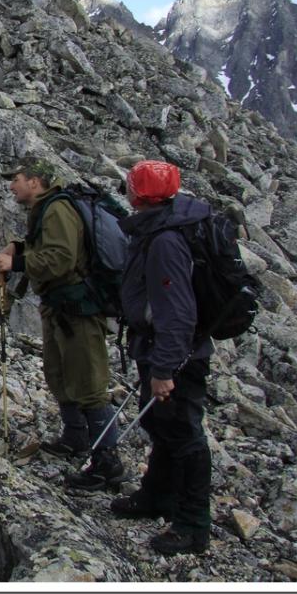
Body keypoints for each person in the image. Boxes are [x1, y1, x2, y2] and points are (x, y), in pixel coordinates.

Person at [0, 156, 124, 491]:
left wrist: (16, 261)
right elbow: (51, 249)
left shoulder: (58, 210)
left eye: (17, 178)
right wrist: (19, 248)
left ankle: (108, 462)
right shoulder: (45, 210)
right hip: (60, 310)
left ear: (35, 182)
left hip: (77, 311)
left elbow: (62, 258)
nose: (12, 185)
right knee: (59, 373)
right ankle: (75, 438)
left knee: (89, 382)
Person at [111, 159, 214, 555]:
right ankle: (157, 494)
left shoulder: (166, 241)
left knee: (185, 434)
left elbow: (177, 313)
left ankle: (192, 524)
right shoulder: (161, 228)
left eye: (130, 186)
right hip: (163, 349)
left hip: (175, 354)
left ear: (139, 195)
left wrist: (165, 369)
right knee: (162, 424)